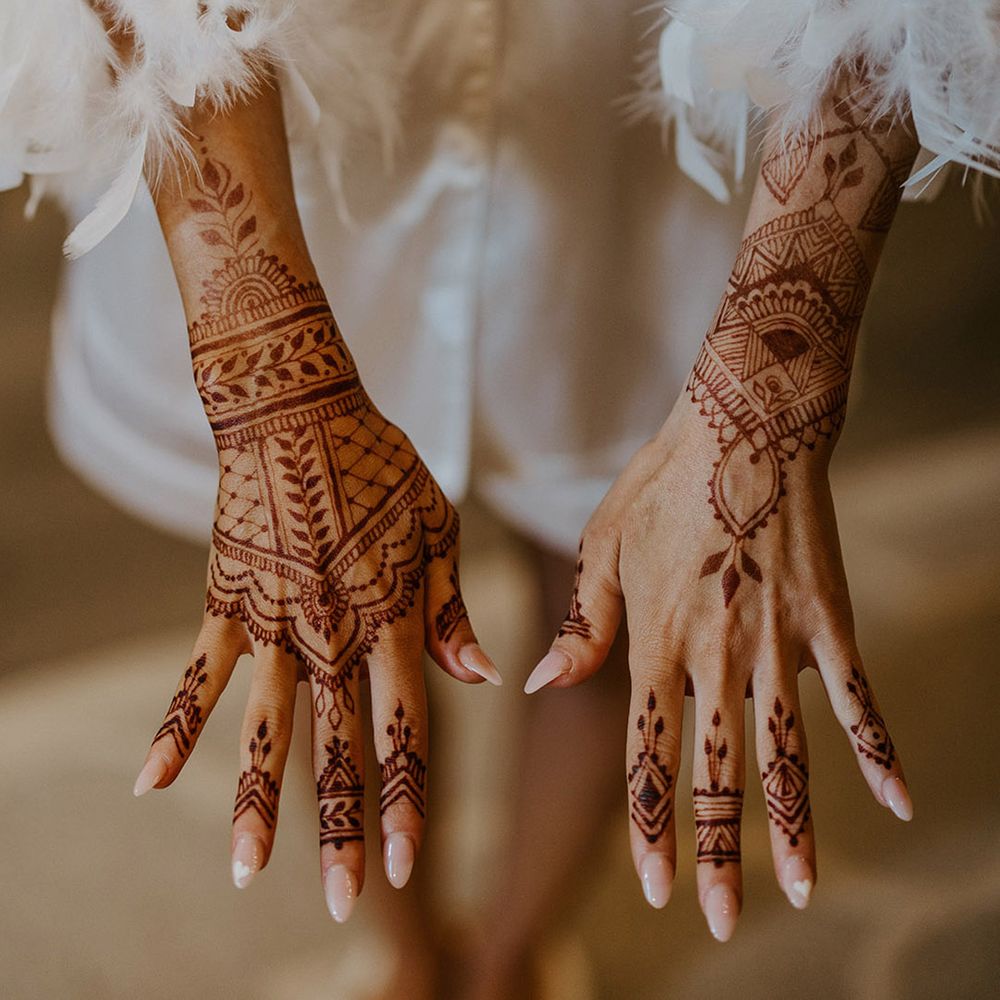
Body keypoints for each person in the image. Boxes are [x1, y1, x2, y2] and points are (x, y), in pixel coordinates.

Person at [5, 2, 998, 997]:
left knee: (613, 592)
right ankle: (409, 955)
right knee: (331, 597)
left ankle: (510, 958)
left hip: (637, 84)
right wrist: (269, 373)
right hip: (290, 107)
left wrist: (767, 394)